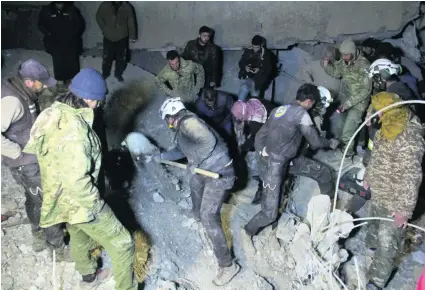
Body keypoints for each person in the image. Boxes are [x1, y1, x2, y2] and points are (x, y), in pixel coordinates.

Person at [23, 68, 137, 289]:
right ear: (88, 99)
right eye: (98, 101)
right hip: (80, 200)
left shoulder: (53, 112)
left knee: (78, 233)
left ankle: (88, 276)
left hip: (60, 197)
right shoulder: (75, 131)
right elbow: (78, 182)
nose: (98, 106)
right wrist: (97, 205)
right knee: (123, 243)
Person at [155, 98, 240, 286]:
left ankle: (228, 266)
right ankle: (196, 214)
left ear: (171, 117)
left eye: (166, 119)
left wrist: (194, 162)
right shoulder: (181, 127)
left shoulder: (189, 122)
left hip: (219, 171)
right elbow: (180, 150)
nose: (167, 123)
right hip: (206, 168)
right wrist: (161, 156)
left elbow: (208, 142)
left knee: (210, 216)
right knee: (195, 183)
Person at [241, 84, 340, 239]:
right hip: (275, 166)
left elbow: (260, 135)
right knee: (269, 214)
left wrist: (262, 152)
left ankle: (327, 208)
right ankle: (247, 232)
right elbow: (315, 142)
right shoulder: (302, 115)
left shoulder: (279, 110)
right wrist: (330, 143)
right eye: (313, 103)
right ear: (309, 101)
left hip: (286, 160)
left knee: (323, 172)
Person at [1, 59, 64, 253]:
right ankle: (58, 248)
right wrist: (16, 152)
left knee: (33, 197)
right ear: (29, 82)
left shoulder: (20, 92)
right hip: (25, 163)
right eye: (41, 82)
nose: (44, 86)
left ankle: (38, 236)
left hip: (26, 161)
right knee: (49, 202)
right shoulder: (12, 101)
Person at [363, 92, 425, 290]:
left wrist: (404, 211)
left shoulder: (410, 136)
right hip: (380, 191)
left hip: (395, 200)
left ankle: (376, 281)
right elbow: (377, 155)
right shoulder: (388, 126)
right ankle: (369, 248)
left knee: (387, 243)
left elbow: (411, 176)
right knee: (373, 226)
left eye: (378, 111)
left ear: (387, 111)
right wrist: (368, 176)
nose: (375, 115)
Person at [322, 38, 372, 158]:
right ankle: (349, 149)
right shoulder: (344, 62)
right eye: (342, 54)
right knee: (343, 128)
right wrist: (326, 65)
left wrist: (348, 104)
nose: (344, 57)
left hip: (359, 102)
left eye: (346, 54)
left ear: (353, 52)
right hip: (346, 99)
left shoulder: (365, 65)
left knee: (347, 134)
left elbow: (366, 90)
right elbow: (336, 73)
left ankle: (348, 157)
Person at [38, 1, 84, 88]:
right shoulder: (47, 10)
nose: (60, 5)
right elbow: (41, 24)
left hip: (70, 43)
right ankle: (61, 85)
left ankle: (73, 84)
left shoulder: (71, 10)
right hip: (55, 43)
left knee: (72, 63)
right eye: (58, 3)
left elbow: (79, 24)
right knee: (59, 64)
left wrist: (73, 34)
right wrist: (49, 33)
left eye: (62, 3)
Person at [96, 1, 137, 82]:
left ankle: (118, 73)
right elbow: (98, 17)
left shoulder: (127, 7)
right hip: (108, 36)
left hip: (122, 36)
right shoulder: (105, 5)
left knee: (122, 57)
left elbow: (131, 21)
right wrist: (104, 29)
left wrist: (133, 35)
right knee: (107, 56)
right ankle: (105, 73)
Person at [237, 35, 272, 101]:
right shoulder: (248, 51)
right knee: (243, 88)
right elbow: (241, 63)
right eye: (253, 47)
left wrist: (259, 70)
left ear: (261, 45)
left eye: (257, 47)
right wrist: (245, 67)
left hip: (258, 80)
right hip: (248, 77)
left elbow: (269, 70)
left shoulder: (267, 55)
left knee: (255, 95)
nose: (255, 49)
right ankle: (239, 107)